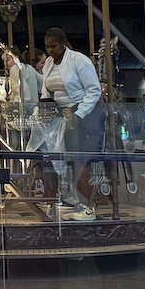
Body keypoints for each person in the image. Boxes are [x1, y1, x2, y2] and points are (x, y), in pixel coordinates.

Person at [40, 27, 103, 221]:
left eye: (53, 46)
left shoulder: (79, 60)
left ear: (63, 43)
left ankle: (86, 205)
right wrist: (44, 107)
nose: (50, 50)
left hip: (84, 113)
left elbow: (94, 90)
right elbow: (45, 90)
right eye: (47, 47)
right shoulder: (49, 64)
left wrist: (79, 114)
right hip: (60, 114)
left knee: (79, 159)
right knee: (43, 152)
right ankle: (54, 199)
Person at [5, 44, 42, 117]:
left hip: (23, 110)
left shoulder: (15, 68)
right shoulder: (29, 67)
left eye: (7, 60)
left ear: (15, 57)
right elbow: (42, 83)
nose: (6, 64)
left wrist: (13, 106)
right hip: (34, 108)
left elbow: (23, 91)